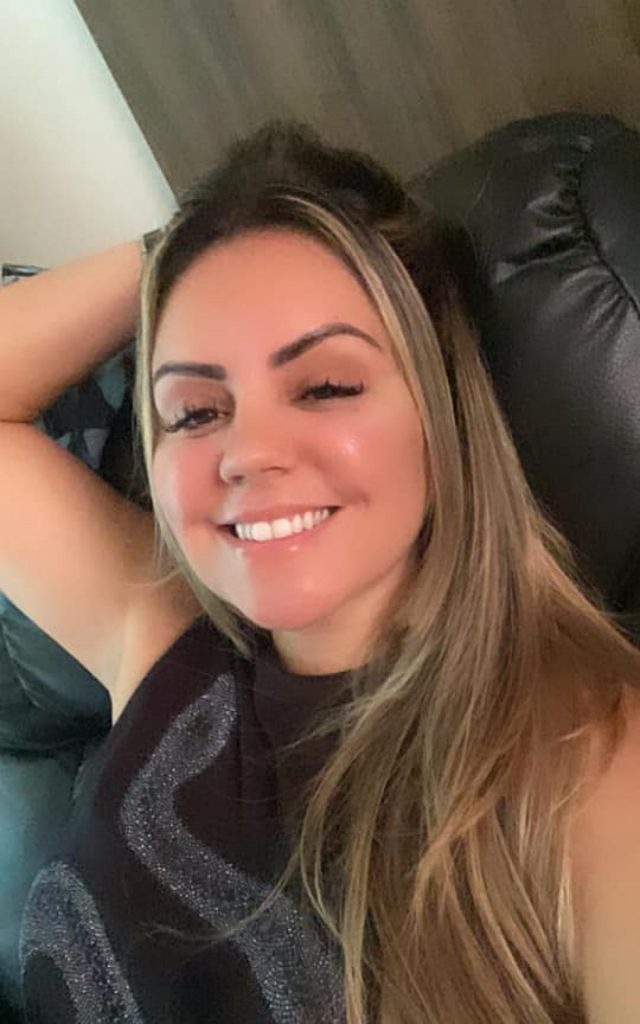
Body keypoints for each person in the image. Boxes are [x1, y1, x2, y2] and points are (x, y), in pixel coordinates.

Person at [3, 121, 640, 1023]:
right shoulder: (160, 638)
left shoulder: (586, 761)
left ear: (442, 413)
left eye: (326, 387)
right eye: (195, 411)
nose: (246, 453)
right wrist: (192, 237)